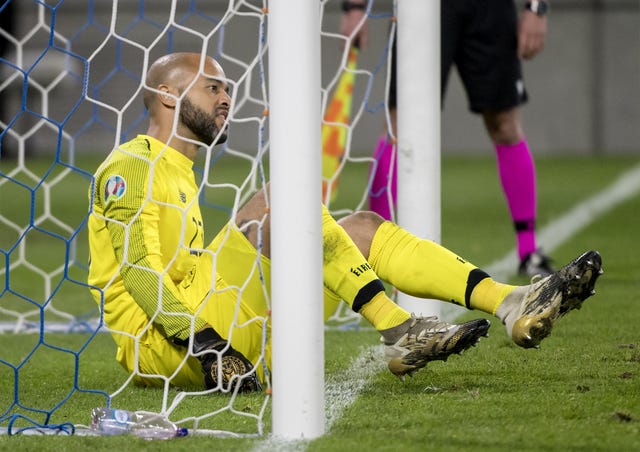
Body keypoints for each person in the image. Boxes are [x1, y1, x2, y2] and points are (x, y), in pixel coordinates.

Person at [87, 52, 602, 393]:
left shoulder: (179, 169)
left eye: (228, 88)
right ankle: (398, 326)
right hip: (166, 345)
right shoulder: (132, 165)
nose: (226, 98)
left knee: (360, 227)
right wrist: (205, 342)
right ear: (169, 96)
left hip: (209, 321)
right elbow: (140, 272)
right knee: (280, 198)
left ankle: (510, 302)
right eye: (213, 87)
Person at [341, 0, 555, 277]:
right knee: (400, 126)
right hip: (420, 7)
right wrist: (354, 5)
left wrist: (536, 7)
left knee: (505, 124)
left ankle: (529, 252)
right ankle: (374, 251)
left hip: (490, 9)